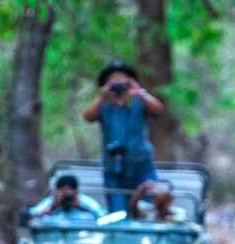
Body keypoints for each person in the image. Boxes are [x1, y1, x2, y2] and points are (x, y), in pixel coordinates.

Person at [83, 60, 165, 213]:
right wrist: (102, 96)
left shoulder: (139, 102)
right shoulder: (104, 105)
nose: (117, 81)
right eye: (113, 78)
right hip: (114, 170)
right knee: (118, 215)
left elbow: (159, 110)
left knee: (149, 211)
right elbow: (88, 116)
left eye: (121, 77)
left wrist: (139, 92)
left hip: (142, 168)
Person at [29, 174, 105, 221]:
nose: (66, 195)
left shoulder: (85, 201)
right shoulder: (51, 202)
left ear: (76, 191)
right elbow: (33, 215)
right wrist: (53, 207)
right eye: (62, 191)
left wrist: (80, 207)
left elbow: (103, 216)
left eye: (69, 190)